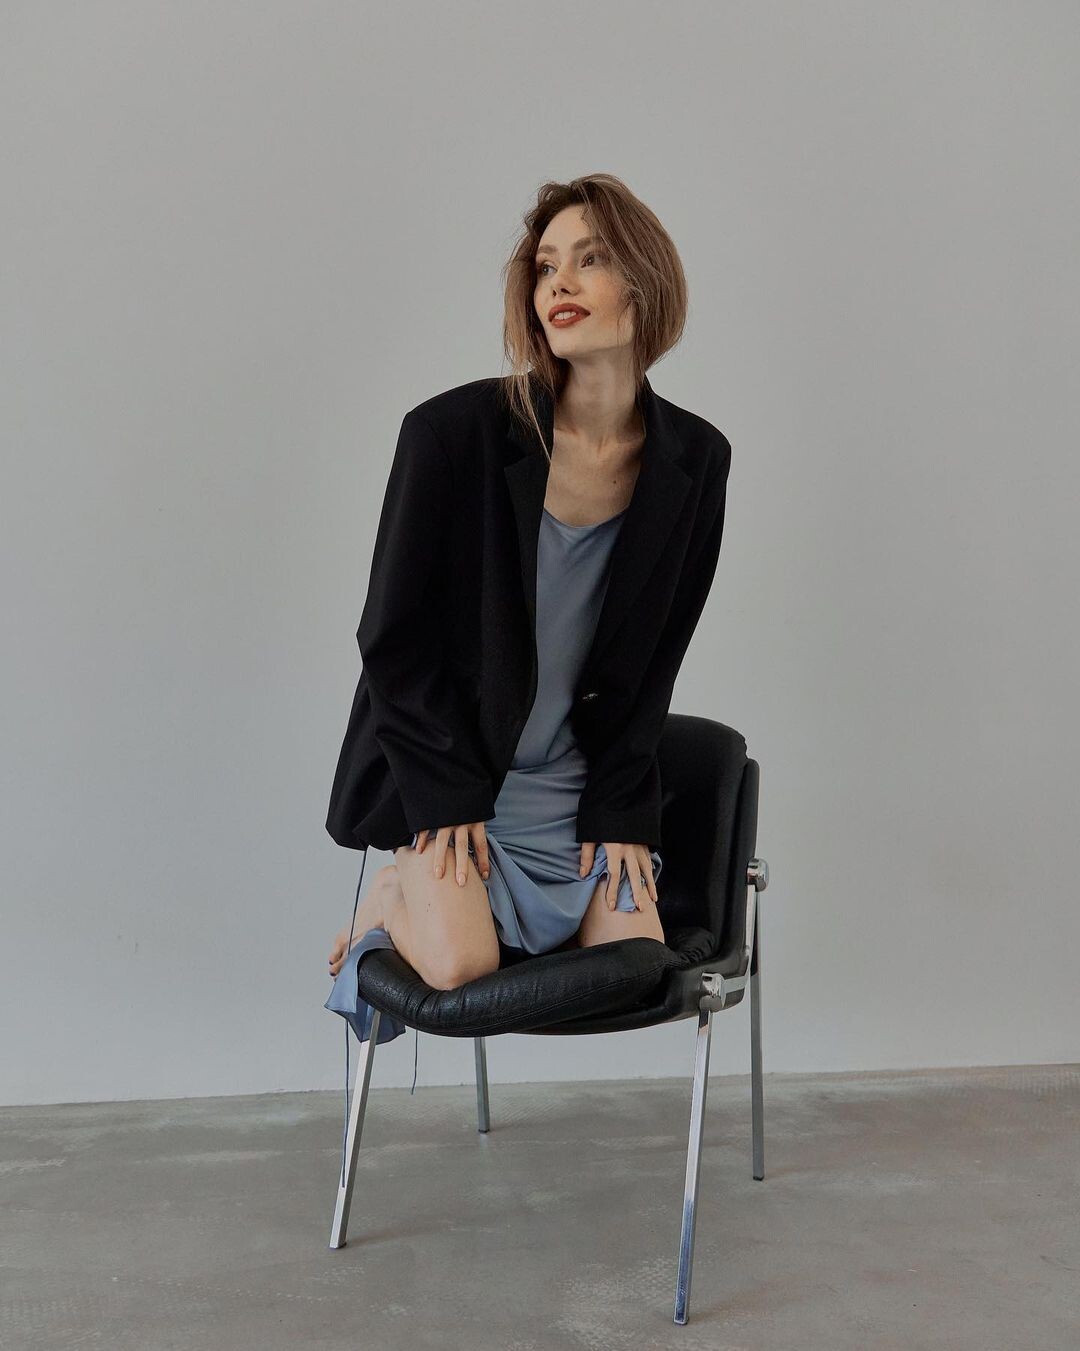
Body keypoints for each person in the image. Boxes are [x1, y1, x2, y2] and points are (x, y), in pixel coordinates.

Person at [324, 173, 732, 1048]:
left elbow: (657, 656)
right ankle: (392, 893)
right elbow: (393, 641)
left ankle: (442, 894)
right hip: (456, 770)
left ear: (645, 282)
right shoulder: (451, 435)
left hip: (576, 782)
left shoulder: (696, 460)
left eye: (591, 259)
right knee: (462, 968)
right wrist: (443, 799)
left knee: (635, 963)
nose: (560, 283)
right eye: (546, 266)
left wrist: (622, 810)